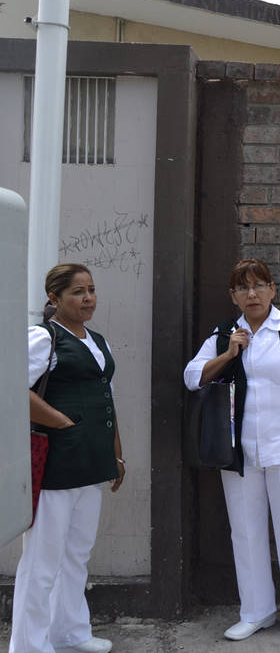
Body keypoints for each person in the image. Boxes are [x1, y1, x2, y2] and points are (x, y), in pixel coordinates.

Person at [183, 258, 280, 642]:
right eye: (243, 288)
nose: (251, 294)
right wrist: (228, 355)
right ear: (233, 296)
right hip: (240, 450)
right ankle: (256, 611)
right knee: (245, 532)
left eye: (258, 285)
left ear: (272, 290)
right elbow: (192, 377)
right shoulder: (225, 334)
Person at [10, 264, 126, 653]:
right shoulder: (44, 337)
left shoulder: (98, 341)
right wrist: (61, 422)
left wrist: (117, 454)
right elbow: (12, 387)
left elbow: (106, 398)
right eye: (77, 292)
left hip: (92, 462)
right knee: (42, 561)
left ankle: (70, 632)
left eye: (91, 290)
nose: (88, 298)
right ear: (54, 298)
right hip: (57, 464)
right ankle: (29, 646)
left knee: (77, 554)